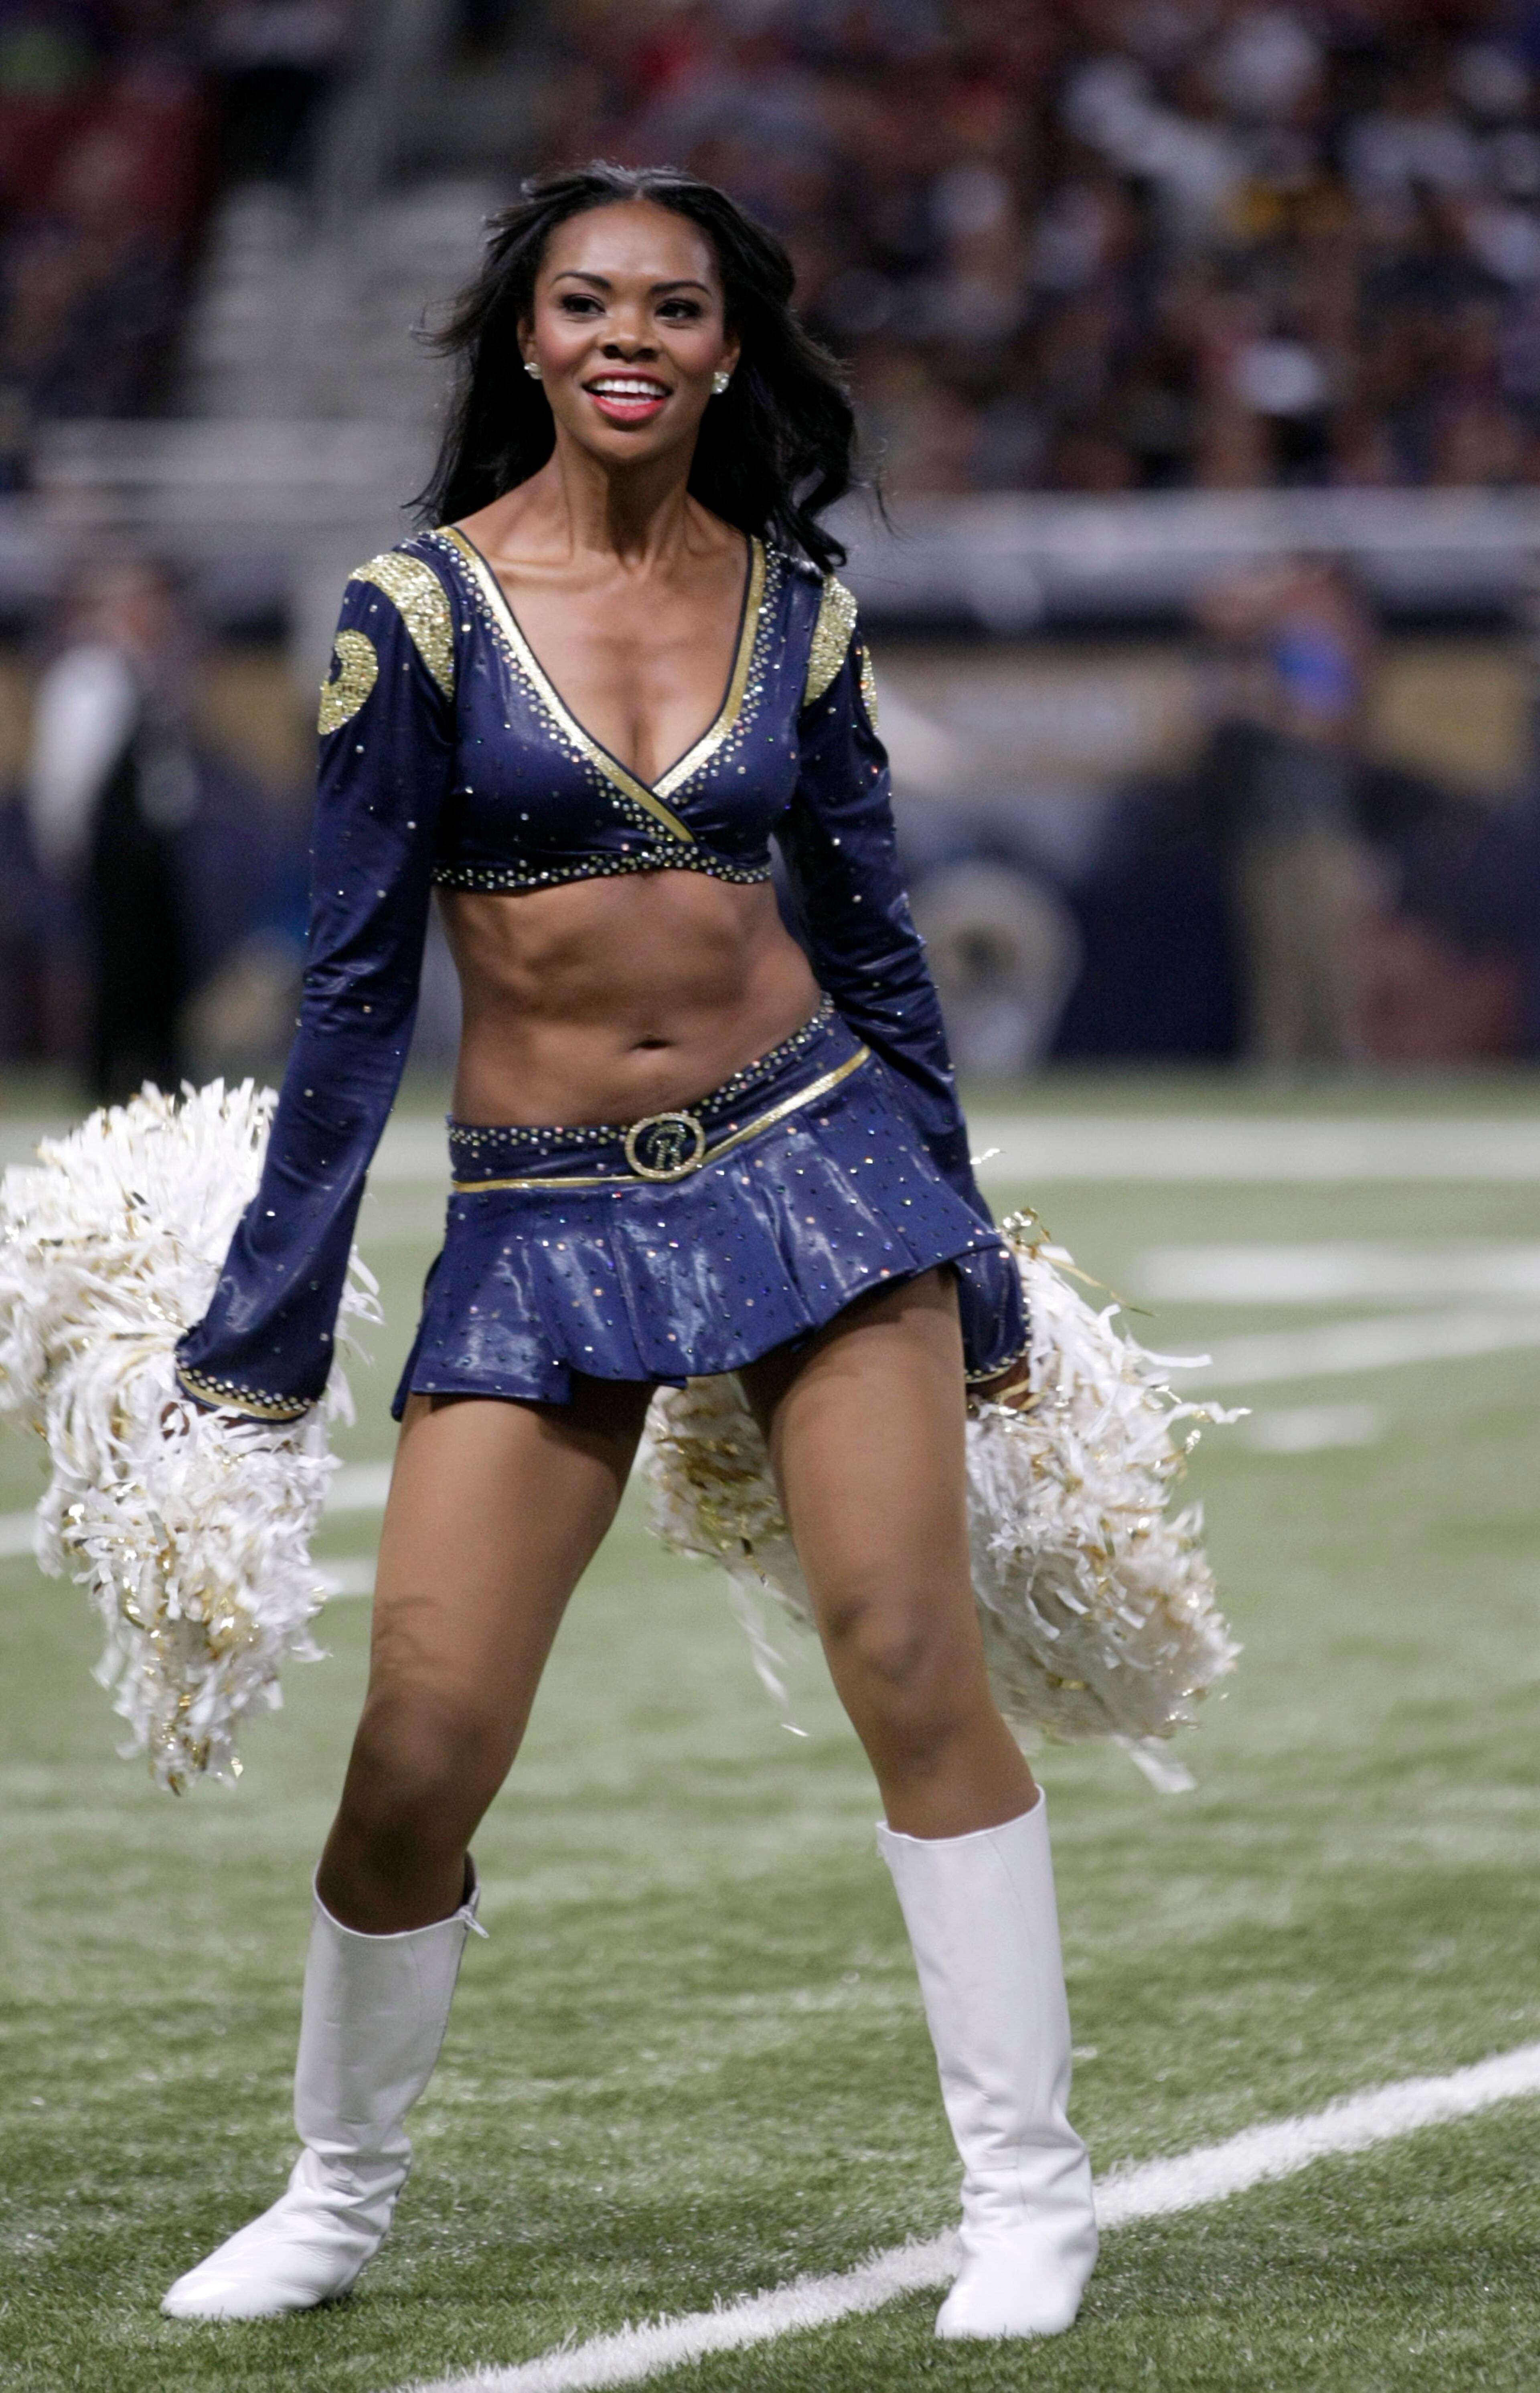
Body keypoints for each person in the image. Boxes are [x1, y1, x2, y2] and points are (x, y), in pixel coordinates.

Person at [159, 162, 1098, 2342]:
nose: (628, 336)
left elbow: (870, 935)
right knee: (423, 1737)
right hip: (542, 1220)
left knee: (902, 1648)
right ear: (527, 338)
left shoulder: (801, 605)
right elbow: (351, 990)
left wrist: (973, 1249)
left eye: (673, 308)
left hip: (815, 1170)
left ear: (726, 350)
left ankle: (1029, 2199)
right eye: (586, 301)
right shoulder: (412, 608)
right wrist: (267, 1330)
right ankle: (334, 2190)